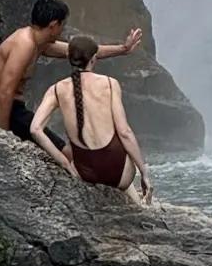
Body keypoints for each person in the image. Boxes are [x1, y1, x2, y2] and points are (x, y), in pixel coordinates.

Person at [0, 0, 143, 143]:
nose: (63, 29)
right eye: (63, 24)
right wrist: (4, 137)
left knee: (58, 147)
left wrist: (123, 49)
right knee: (61, 150)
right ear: (54, 25)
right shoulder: (24, 44)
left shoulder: (41, 44)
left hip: (13, 109)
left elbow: (85, 51)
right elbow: (4, 91)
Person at [31, 33, 153, 201]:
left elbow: (35, 129)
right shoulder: (110, 84)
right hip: (120, 175)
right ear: (94, 58)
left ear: (68, 56)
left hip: (85, 174)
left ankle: (136, 203)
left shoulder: (56, 89)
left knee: (75, 148)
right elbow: (124, 132)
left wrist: (65, 164)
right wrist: (144, 172)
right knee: (117, 145)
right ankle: (140, 205)